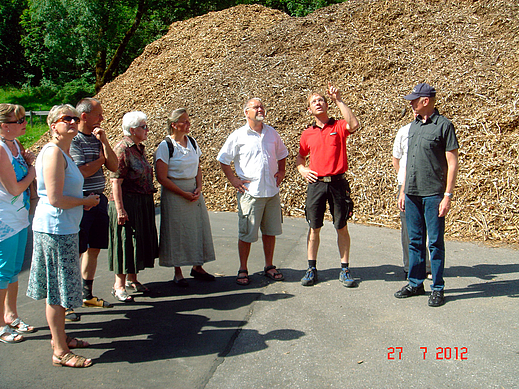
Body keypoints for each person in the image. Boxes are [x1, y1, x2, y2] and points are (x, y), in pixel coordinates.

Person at [26, 104, 99, 367]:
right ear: (52, 125)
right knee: (56, 292)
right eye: (64, 118)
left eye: (73, 118)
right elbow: (55, 199)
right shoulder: (54, 152)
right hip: (55, 229)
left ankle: (62, 338)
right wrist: (85, 202)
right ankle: (59, 351)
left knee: (60, 289)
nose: (71, 121)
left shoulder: (63, 153)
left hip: (64, 228)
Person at [394, 83, 459, 307]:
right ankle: (415, 283)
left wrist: (447, 196)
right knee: (414, 241)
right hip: (411, 194)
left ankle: (438, 287)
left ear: (425, 101)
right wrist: (403, 190)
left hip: (433, 194)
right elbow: (408, 162)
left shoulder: (444, 126)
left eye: (414, 100)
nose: (410, 103)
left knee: (435, 243)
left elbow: (452, 163)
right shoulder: (413, 127)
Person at [217, 98, 288, 285]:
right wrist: (233, 179)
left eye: (262, 106)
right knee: (246, 233)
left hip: (271, 192)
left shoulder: (272, 133)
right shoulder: (238, 136)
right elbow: (223, 159)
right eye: (256, 107)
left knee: (270, 231)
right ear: (246, 112)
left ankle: (269, 265)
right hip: (250, 192)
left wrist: (282, 171)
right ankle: (243, 268)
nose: (260, 109)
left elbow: (282, 154)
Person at [296, 83, 360, 287]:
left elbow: (354, 124)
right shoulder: (307, 133)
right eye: (314, 102)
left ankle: (345, 269)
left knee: (341, 226)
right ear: (309, 109)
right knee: (314, 227)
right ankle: (311, 268)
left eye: (321, 100)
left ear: (326, 104)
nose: (318, 103)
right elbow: (300, 157)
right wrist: (302, 169)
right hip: (316, 185)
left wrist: (338, 100)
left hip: (337, 184)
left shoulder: (339, 126)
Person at [67, 98, 118, 321]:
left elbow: (114, 166)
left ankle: (86, 294)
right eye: (98, 114)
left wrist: (105, 142)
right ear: (84, 116)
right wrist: (100, 160)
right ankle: (67, 302)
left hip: (99, 200)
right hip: (81, 201)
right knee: (75, 251)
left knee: (94, 248)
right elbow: (82, 172)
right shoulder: (74, 141)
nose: (102, 118)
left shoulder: (97, 139)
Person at [155, 108, 216, 287]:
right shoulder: (165, 146)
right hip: (175, 192)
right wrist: (183, 193)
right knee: (177, 232)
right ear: (173, 124)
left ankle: (198, 266)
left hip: (193, 190)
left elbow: (198, 167)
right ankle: (178, 272)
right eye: (184, 121)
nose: (188, 124)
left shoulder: (192, 142)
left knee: (198, 228)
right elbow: (162, 177)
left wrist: (199, 187)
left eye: (189, 120)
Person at [108, 111, 158, 302]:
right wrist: (120, 210)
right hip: (127, 202)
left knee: (137, 242)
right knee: (125, 242)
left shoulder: (138, 148)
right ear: (132, 130)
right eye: (143, 127)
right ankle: (118, 285)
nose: (147, 130)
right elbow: (115, 182)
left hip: (141, 201)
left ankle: (132, 279)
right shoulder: (122, 149)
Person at [0, 104, 36, 343]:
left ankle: (11, 314)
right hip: (5, 221)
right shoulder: (1, 148)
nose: (24, 123)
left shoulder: (15, 145)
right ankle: (1, 326)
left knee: (13, 271)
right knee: (2, 273)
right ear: (4, 126)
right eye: (19, 120)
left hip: (19, 217)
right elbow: (13, 187)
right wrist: (33, 170)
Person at [392, 122, 431, 280]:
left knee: (428, 226)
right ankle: (410, 267)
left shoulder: (434, 129)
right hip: (406, 186)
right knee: (408, 228)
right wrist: (404, 181)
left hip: (428, 184)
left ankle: (427, 267)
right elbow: (396, 159)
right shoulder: (404, 131)